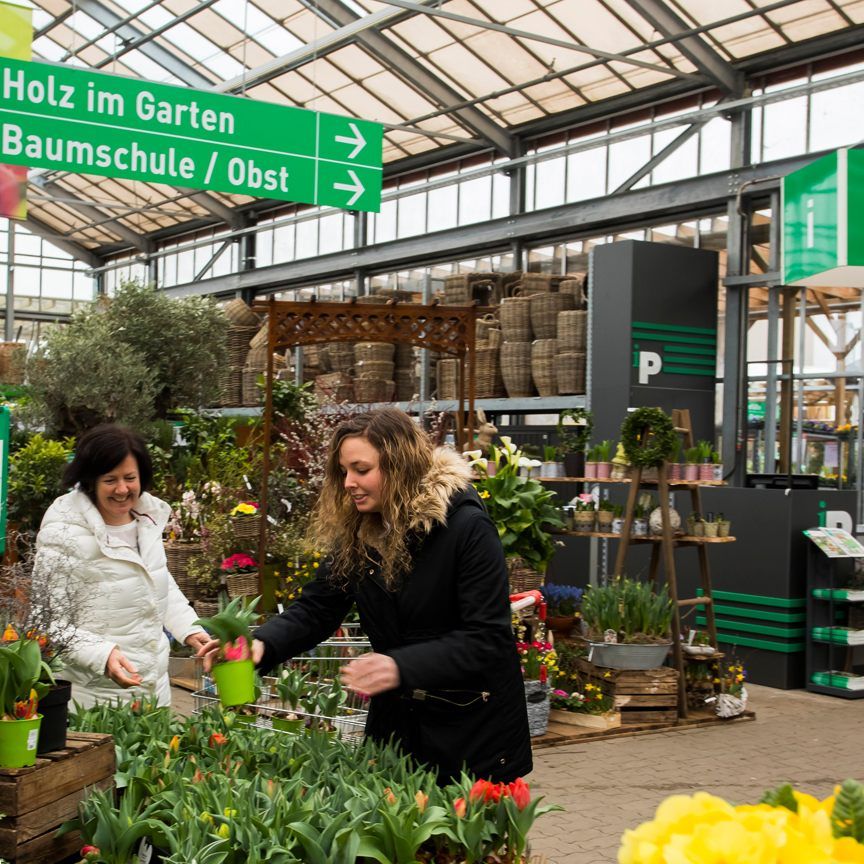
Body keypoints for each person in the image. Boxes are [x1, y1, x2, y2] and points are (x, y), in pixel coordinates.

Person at [200, 407, 532, 783]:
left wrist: (399, 666)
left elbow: (486, 639)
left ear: (400, 465)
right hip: (398, 731)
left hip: (470, 734)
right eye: (344, 471)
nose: (348, 483)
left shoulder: (466, 528)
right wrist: (260, 645)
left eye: (361, 470)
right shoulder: (364, 532)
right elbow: (316, 608)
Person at [34, 424, 209, 708]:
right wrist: (102, 655)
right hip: (93, 698)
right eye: (110, 480)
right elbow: (48, 620)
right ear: (90, 480)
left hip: (154, 692)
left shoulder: (147, 520)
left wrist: (191, 629)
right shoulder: (64, 533)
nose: (122, 489)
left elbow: (156, 584)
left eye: (130, 478)